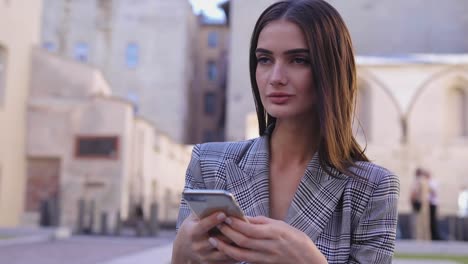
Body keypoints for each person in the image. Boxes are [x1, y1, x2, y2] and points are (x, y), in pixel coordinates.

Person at [172, 0, 400, 263]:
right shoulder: (209, 164)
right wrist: (180, 255)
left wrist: (310, 260)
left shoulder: (373, 187)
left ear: (331, 69)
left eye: (298, 60)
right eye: (265, 59)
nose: (276, 77)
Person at [410, 168, 430, 240]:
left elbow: (415, 192)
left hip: (419, 203)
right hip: (425, 203)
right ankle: (426, 238)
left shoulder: (417, 181)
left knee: (417, 222)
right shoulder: (426, 181)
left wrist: (412, 200)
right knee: (425, 222)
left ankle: (418, 238)